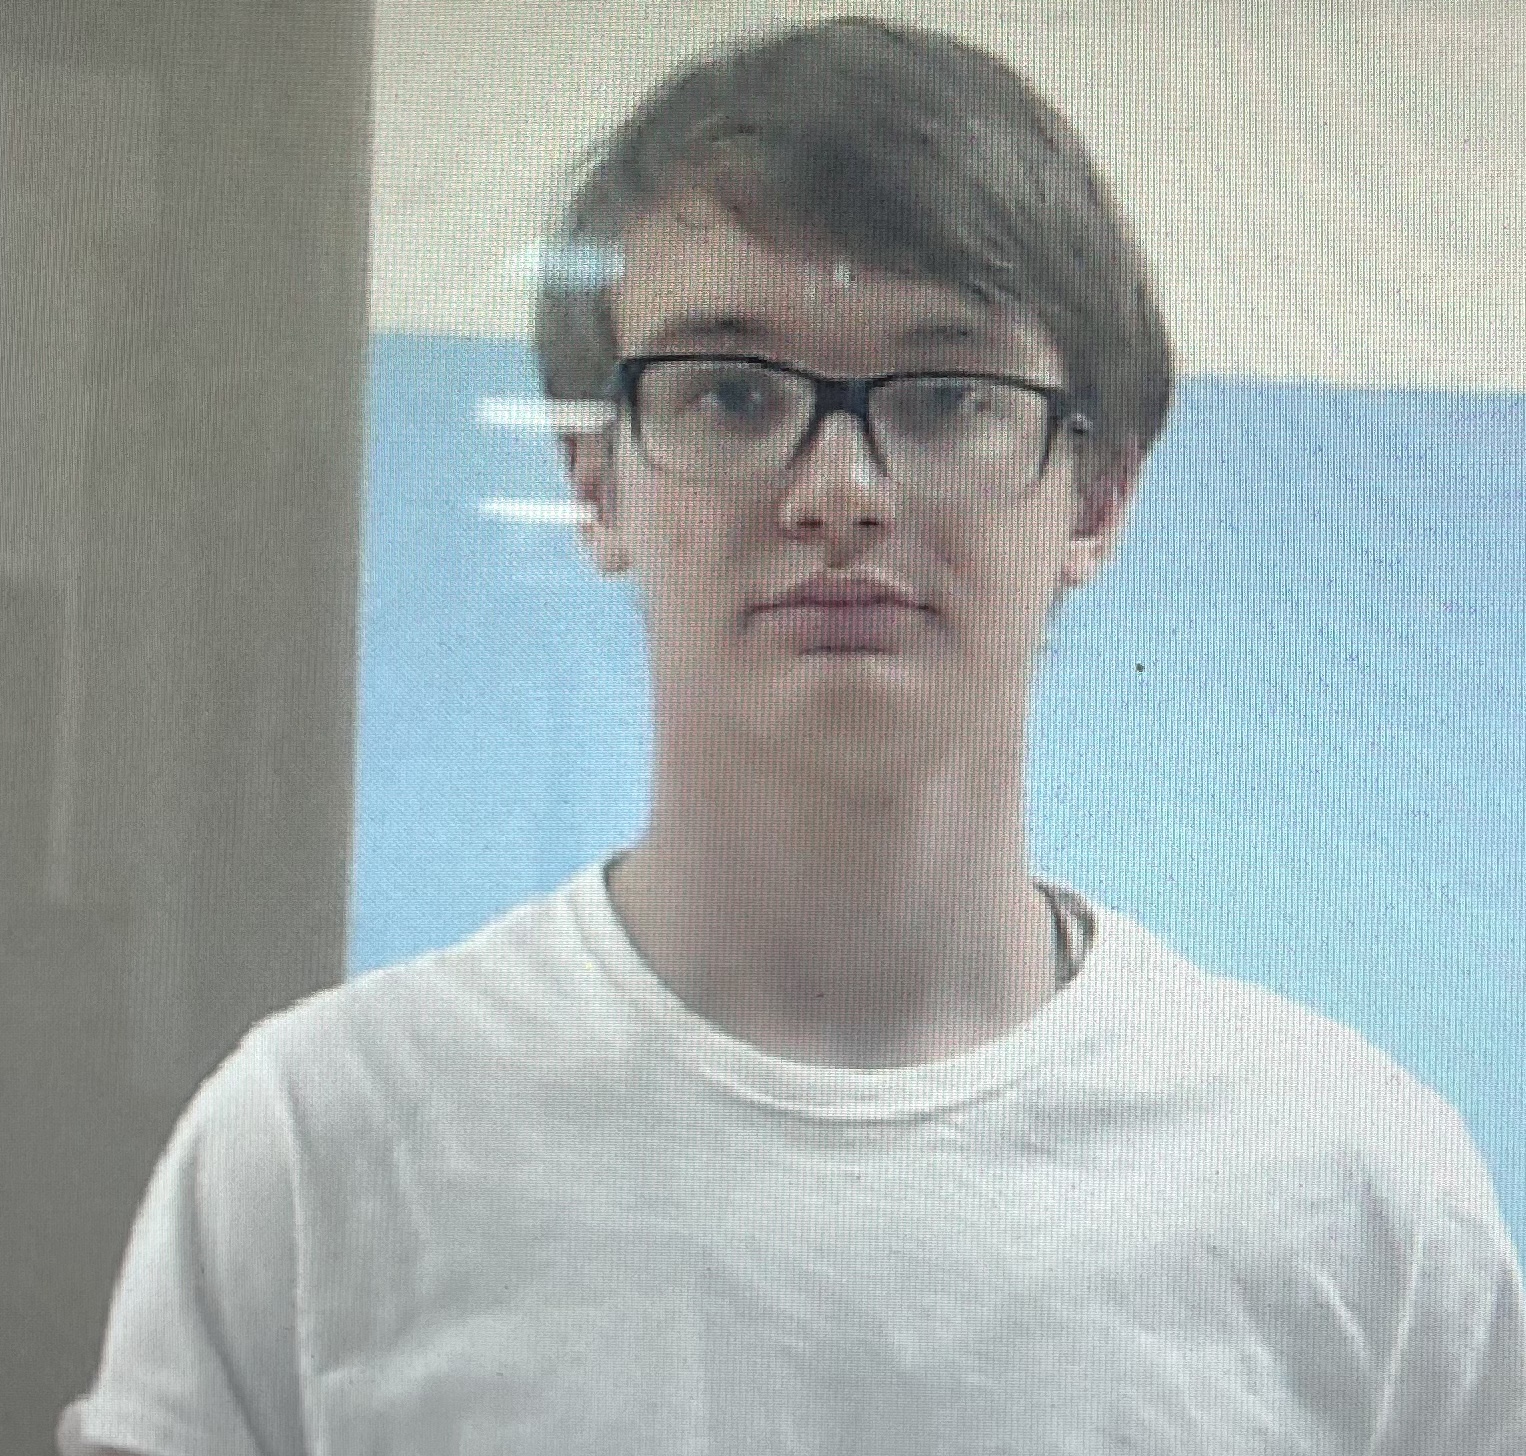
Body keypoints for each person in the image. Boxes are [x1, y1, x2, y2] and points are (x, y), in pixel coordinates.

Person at [60, 16, 1525, 1455]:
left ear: (1097, 495)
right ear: (596, 483)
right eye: (731, 393)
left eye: (944, 398)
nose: (838, 492)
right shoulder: (315, 1153)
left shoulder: (1362, 1201)